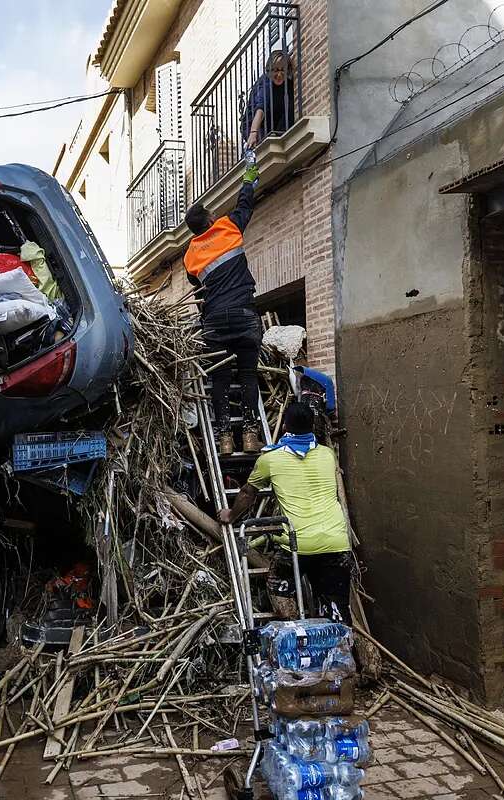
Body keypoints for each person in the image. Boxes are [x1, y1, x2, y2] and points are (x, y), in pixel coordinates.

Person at [217, 402, 352, 624]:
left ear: (285, 426)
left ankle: (293, 632)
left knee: (279, 587)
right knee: (336, 611)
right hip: (336, 543)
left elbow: (247, 493)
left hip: (296, 545)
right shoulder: (328, 455)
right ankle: (341, 651)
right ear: (312, 425)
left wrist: (231, 515)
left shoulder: (270, 459)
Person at [184, 163, 262, 456]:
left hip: (215, 322)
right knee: (248, 375)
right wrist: (249, 178)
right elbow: (245, 203)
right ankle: (251, 436)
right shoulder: (228, 227)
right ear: (211, 219)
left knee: (220, 379)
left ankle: (225, 439)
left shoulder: (190, 254)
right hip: (243, 315)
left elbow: (198, 288)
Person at [245, 50, 297, 150]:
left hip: (274, 122)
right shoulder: (265, 83)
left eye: (283, 70)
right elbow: (261, 107)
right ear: (269, 71)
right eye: (276, 70)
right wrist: (253, 132)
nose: (279, 74)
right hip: (254, 123)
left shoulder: (288, 84)